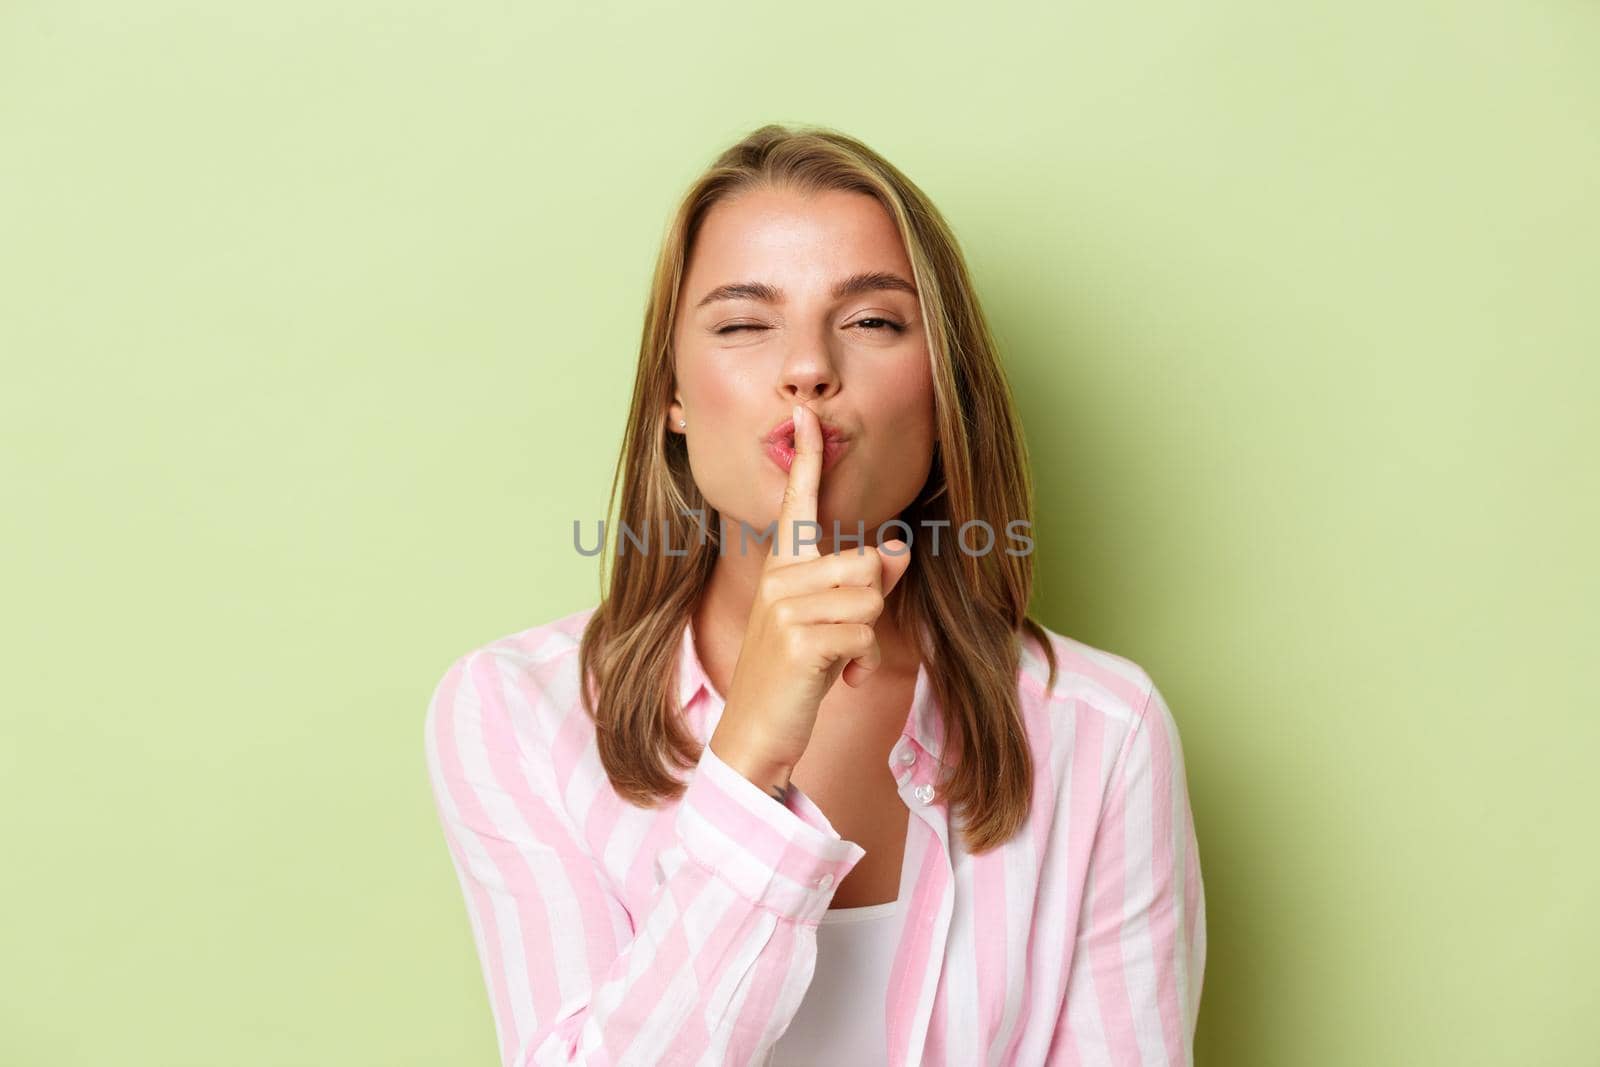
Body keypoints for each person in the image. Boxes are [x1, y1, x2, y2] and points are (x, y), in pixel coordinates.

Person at [424, 122, 1206, 1066]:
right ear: (673, 393)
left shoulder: (1102, 730)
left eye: (872, 320)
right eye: (744, 324)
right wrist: (749, 751)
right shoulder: (515, 712)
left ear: (942, 385)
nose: (809, 369)